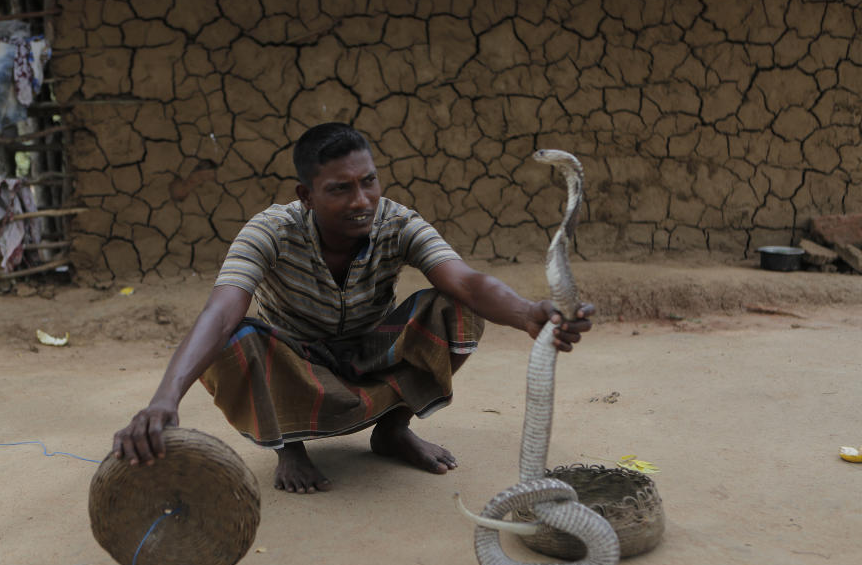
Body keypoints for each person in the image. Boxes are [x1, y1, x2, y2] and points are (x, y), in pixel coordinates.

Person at [112, 123, 594, 494]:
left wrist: (527, 313)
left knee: (456, 306)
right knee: (234, 342)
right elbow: (220, 311)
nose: (361, 200)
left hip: (370, 350)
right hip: (297, 358)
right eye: (340, 189)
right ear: (306, 195)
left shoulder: (398, 221)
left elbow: (465, 279)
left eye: (368, 182)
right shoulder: (269, 231)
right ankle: (289, 446)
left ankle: (392, 430)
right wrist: (163, 399)